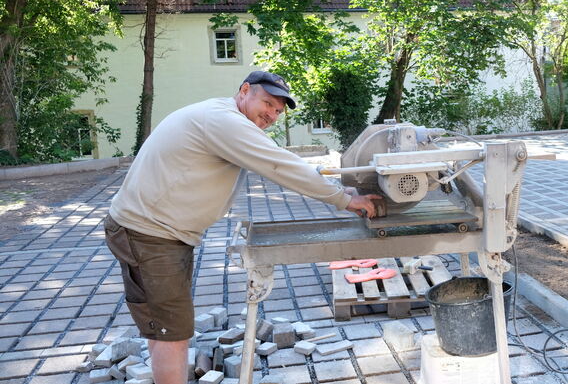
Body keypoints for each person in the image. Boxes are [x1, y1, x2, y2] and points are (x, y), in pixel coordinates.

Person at [105, 71, 379, 383]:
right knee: (172, 332)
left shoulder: (222, 116)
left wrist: (342, 189)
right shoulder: (225, 122)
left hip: (155, 231)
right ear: (244, 91)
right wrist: (343, 200)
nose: (272, 114)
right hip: (150, 234)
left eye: (278, 110)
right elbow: (278, 164)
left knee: (162, 325)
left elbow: (279, 159)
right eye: (267, 103)